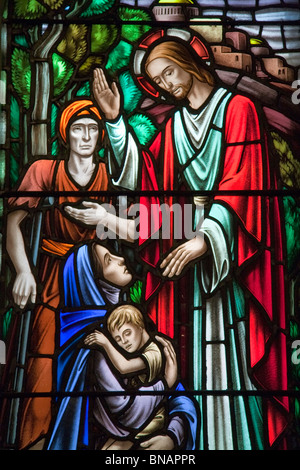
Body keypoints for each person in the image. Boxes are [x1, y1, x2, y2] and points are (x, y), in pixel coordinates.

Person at [89, 30, 290, 449]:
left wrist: (204, 240)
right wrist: (113, 121)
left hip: (233, 258)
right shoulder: (176, 125)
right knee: (193, 348)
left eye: (167, 72)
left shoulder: (239, 110)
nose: (166, 85)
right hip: (188, 273)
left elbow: (243, 184)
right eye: (159, 82)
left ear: (188, 61)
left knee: (233, 353)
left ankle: (237, 442)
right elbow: (146, 181)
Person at [5, 99, 109, 450]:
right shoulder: (44, 171)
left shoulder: (108, 175)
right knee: (41, 360)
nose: (85, 136)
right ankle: (35, 441)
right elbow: (14, 223)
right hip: (51, 276)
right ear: (65, 134)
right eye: (78, 129)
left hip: (92, 281)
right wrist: (23, 270)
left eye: (92, 129)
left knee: (95, 361)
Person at [47, 241, 199, 450]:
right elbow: (129, 414)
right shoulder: (94, 344)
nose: (121, 259)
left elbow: (177, 396)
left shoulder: (128, 325)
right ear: (92, 281)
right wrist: (164, 386)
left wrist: (174, 434)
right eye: (109, 261)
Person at [84, 304, 174, 450]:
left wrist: (106, 343)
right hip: (139, 413)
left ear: (140, 326)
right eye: (118, 339)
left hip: (151, 418)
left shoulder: (154, 351)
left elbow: (124, 367)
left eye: (127, 333)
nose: (124, 341)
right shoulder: (143, 350)